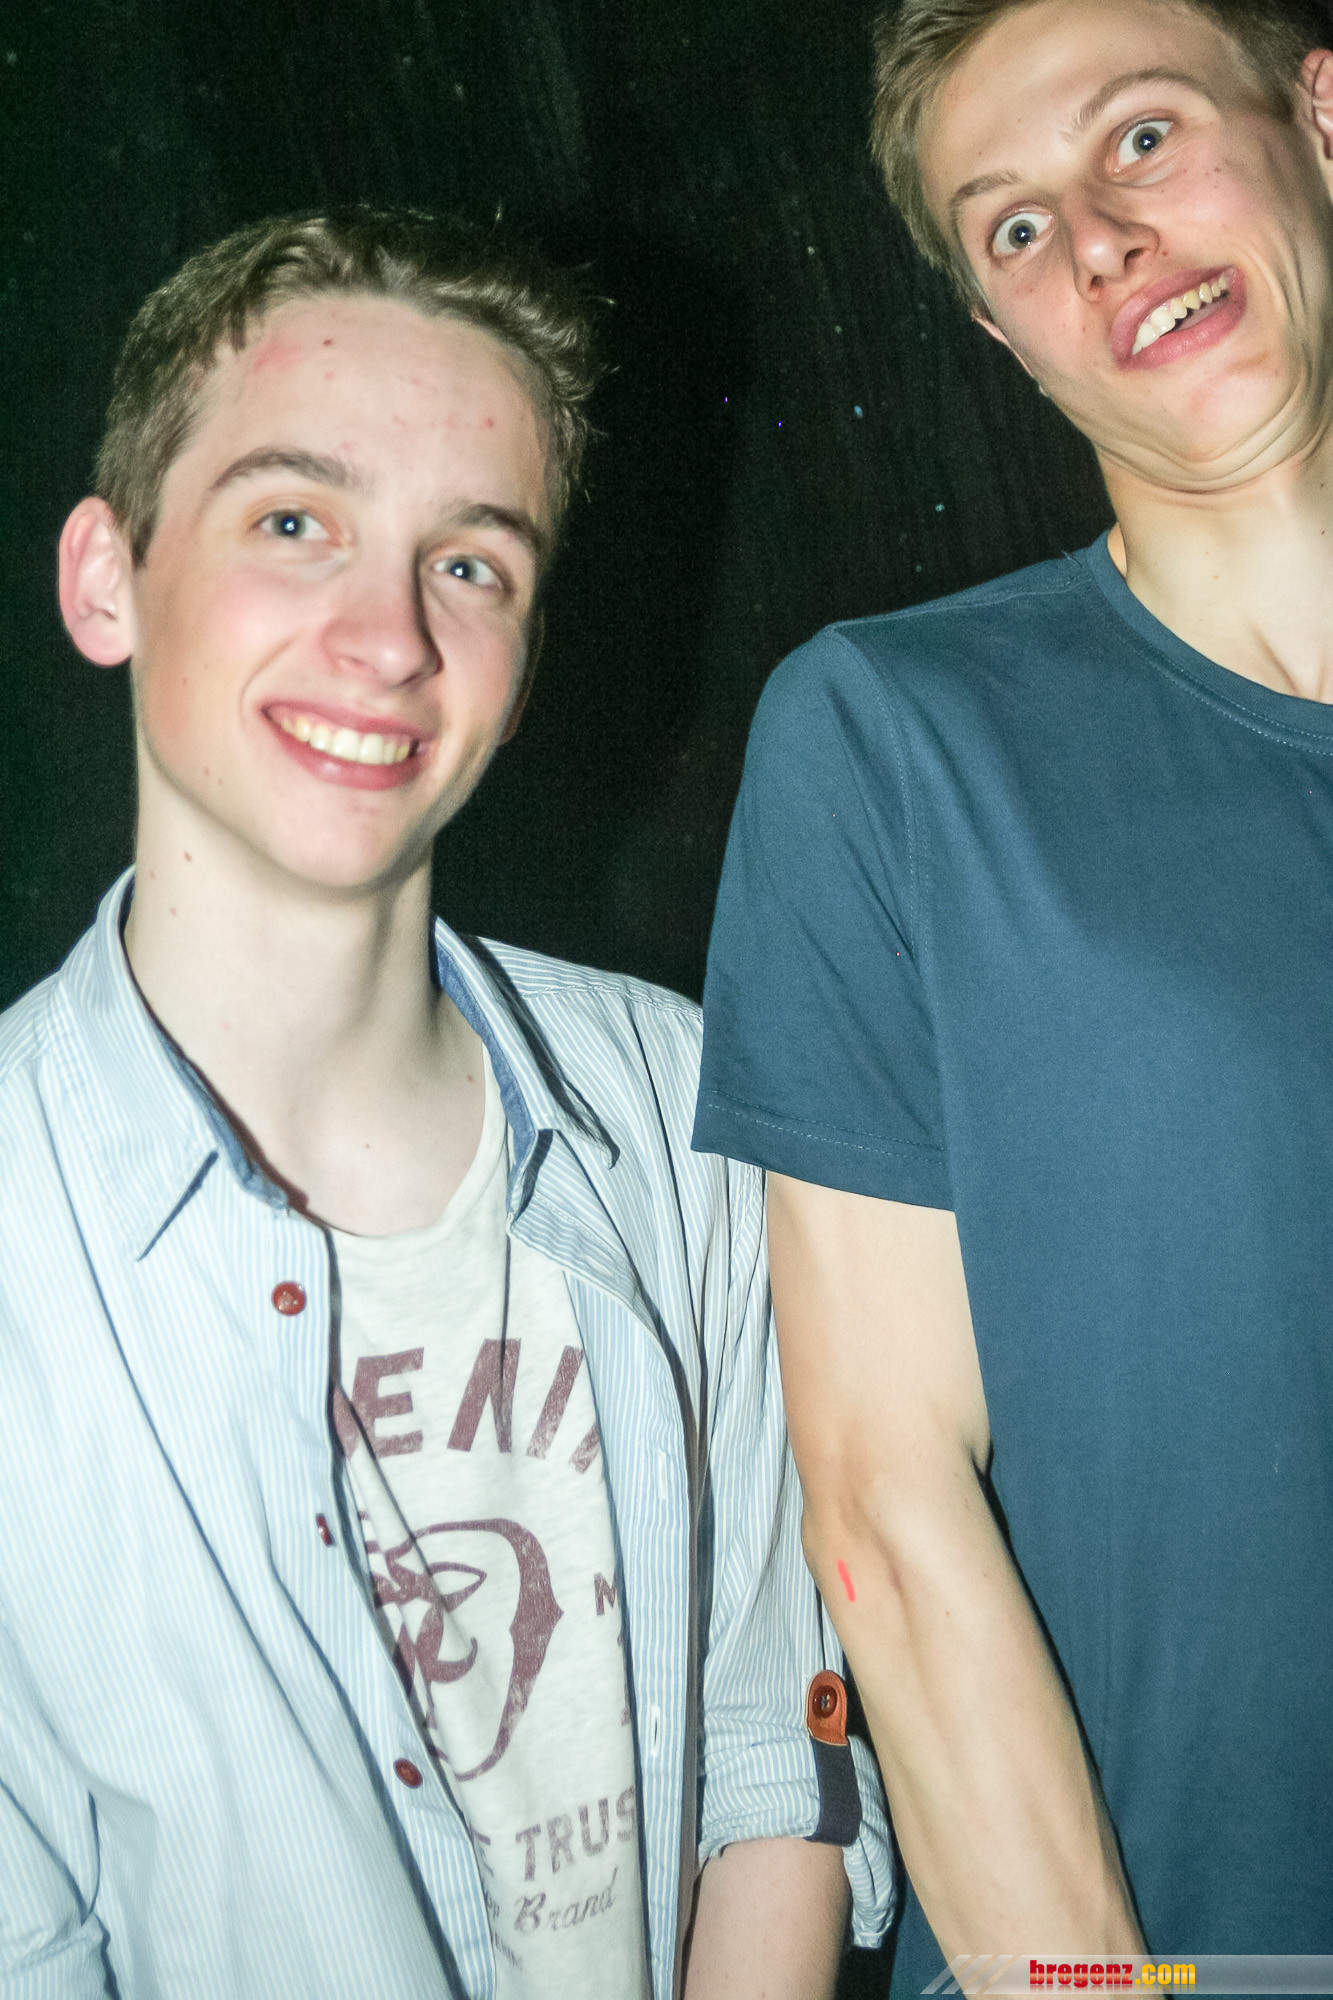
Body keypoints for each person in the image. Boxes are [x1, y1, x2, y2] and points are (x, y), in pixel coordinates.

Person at [0, 209, 891, 2000]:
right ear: (107, 580)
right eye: (293, 522)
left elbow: (766, 1752)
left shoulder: (678, 1101)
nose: (389, 637)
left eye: (469, 563)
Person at [694, 0, 1333, 1984]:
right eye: (1017, 228)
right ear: (998, 330)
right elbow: (882, 1506)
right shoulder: (896, 741)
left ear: (1318, 118)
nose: (1103, 243)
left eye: (1139, 138)